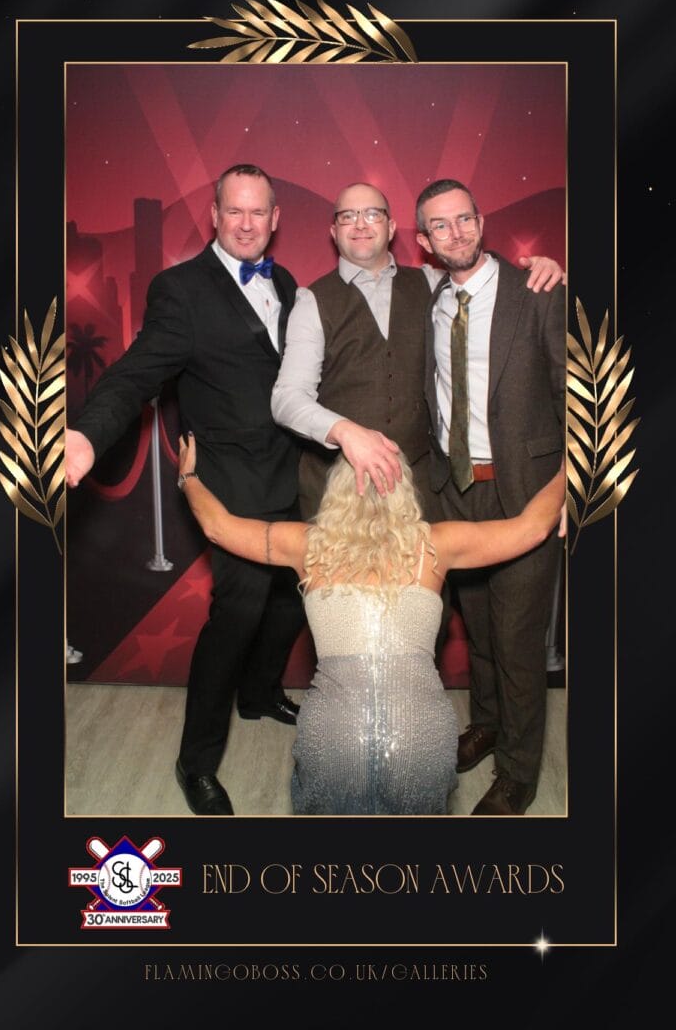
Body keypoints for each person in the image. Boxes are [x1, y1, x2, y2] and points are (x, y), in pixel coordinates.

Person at [65, 164, 305, 816]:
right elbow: (135, 372)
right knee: (238, 614)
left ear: (275, 219)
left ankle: (260, 694)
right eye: (235, 211)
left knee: (293, 598)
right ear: (215, 216)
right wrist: (87, 434)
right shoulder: (181, 290)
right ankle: (195, 762)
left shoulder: (286, 282)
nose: (247, 224)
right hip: (228, 484)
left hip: (292, 471)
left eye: (258, 212)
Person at [177, 431, 565, 815]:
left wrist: (189, 478)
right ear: (404, 489)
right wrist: (569, 472)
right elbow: (533, 527)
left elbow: (217, 526)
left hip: (333, 739)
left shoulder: (307, 545)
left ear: (336, 490)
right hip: (420, 739)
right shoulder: (435, 545)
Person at [271, 181, 563, 522]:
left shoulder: (433, 283)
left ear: (392, 227)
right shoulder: (311, 300)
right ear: (334, 232)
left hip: (420, 494)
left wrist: (545, 269)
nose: (361, 224)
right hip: (339, 494)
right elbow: (287, 398)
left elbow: (481, 274)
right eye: (348, 216)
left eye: (373, 214)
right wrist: (345, 431)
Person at [415, 177, 565, 816]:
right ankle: (487, 724)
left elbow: (580, 397)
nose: (456, 233)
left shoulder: (538, 293)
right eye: (440, 225)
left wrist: (571, 489)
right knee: (476, 627)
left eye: (464, 219)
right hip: (456, 493)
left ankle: (519, 774)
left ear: (481, 221)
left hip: (523, 494)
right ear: (424, 241)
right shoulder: (430, 301)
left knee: (518, 641)